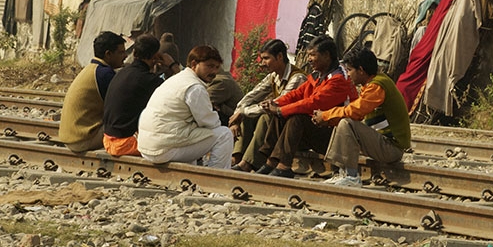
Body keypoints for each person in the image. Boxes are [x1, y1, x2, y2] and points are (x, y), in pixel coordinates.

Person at [255, 35, 355, 178]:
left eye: (313, 55)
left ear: (326, 55)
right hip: (320, 128)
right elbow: (298, 93)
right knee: (280, 115)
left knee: (297, 118)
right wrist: (277, 103)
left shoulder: (338, 79)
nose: (309, 59)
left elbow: (313, 103)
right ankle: (271, 161)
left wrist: (280, 110)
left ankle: (284, 165)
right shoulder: (318, 75)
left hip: (336, 135)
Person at [314, 47, 411, 187]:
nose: (347, 74)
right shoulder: (372, 84)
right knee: (343, 123)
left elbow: (355, 111)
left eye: (349, 70)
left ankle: (351, 176)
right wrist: (327, 118)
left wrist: (326, 115)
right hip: (384, 144)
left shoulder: (377, 86)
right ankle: (342, 172)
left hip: (392, 148)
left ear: (360, 70)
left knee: (346, 123)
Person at [136, 45, 234, 168]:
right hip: (163, 150)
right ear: (194, 64)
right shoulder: (195, 87)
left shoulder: (177, 79)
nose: (214, 72)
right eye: (209, 66)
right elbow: (210, 123)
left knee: (193, 133)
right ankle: (217, 178)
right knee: (224, 134)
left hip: (148, 147)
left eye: (216, 67)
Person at [229, 39, 307, 172]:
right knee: (246, 115)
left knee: (264, 117)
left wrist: (242, 112)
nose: (262, 63)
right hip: (279, 121)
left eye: (266, 58)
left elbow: (277, 103)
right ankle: (238, 157)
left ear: (280, 57)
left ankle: (249, 163)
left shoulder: (297, 78)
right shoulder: (273, 76)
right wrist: (239, 113)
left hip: (292, 126)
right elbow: (251, 96)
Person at [102, 34, 179, 156]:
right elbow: (179, 91)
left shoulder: (123, 72)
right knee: (178, 143)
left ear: (134, 52)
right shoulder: (148, 80)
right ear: (155, 56)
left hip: (108, 140)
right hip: (124, 144)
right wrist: (173, 65)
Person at [59, 31, 126, 152]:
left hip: (72, 137)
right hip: (84, 139)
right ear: (108, 54)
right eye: (121, 52)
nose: (125, 56)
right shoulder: (104, 74)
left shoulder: (92, 69)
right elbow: (120, 107)